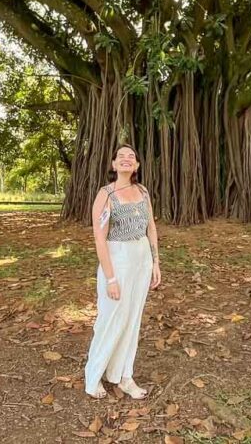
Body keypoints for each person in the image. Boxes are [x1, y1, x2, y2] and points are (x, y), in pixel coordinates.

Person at [83, 144, 162, 400]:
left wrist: (156, 262)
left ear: (137, 165)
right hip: (118, 259)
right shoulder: (105, 194)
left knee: (132, 319)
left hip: (141, 260)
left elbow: (151, 227)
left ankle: (123, 375)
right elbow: (99, 238)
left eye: (132, 157)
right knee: (110, 318)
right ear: (114, 165)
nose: (127, 159)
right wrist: (111, 278)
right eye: (121, 157)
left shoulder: (143, 191)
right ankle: (93, 377)